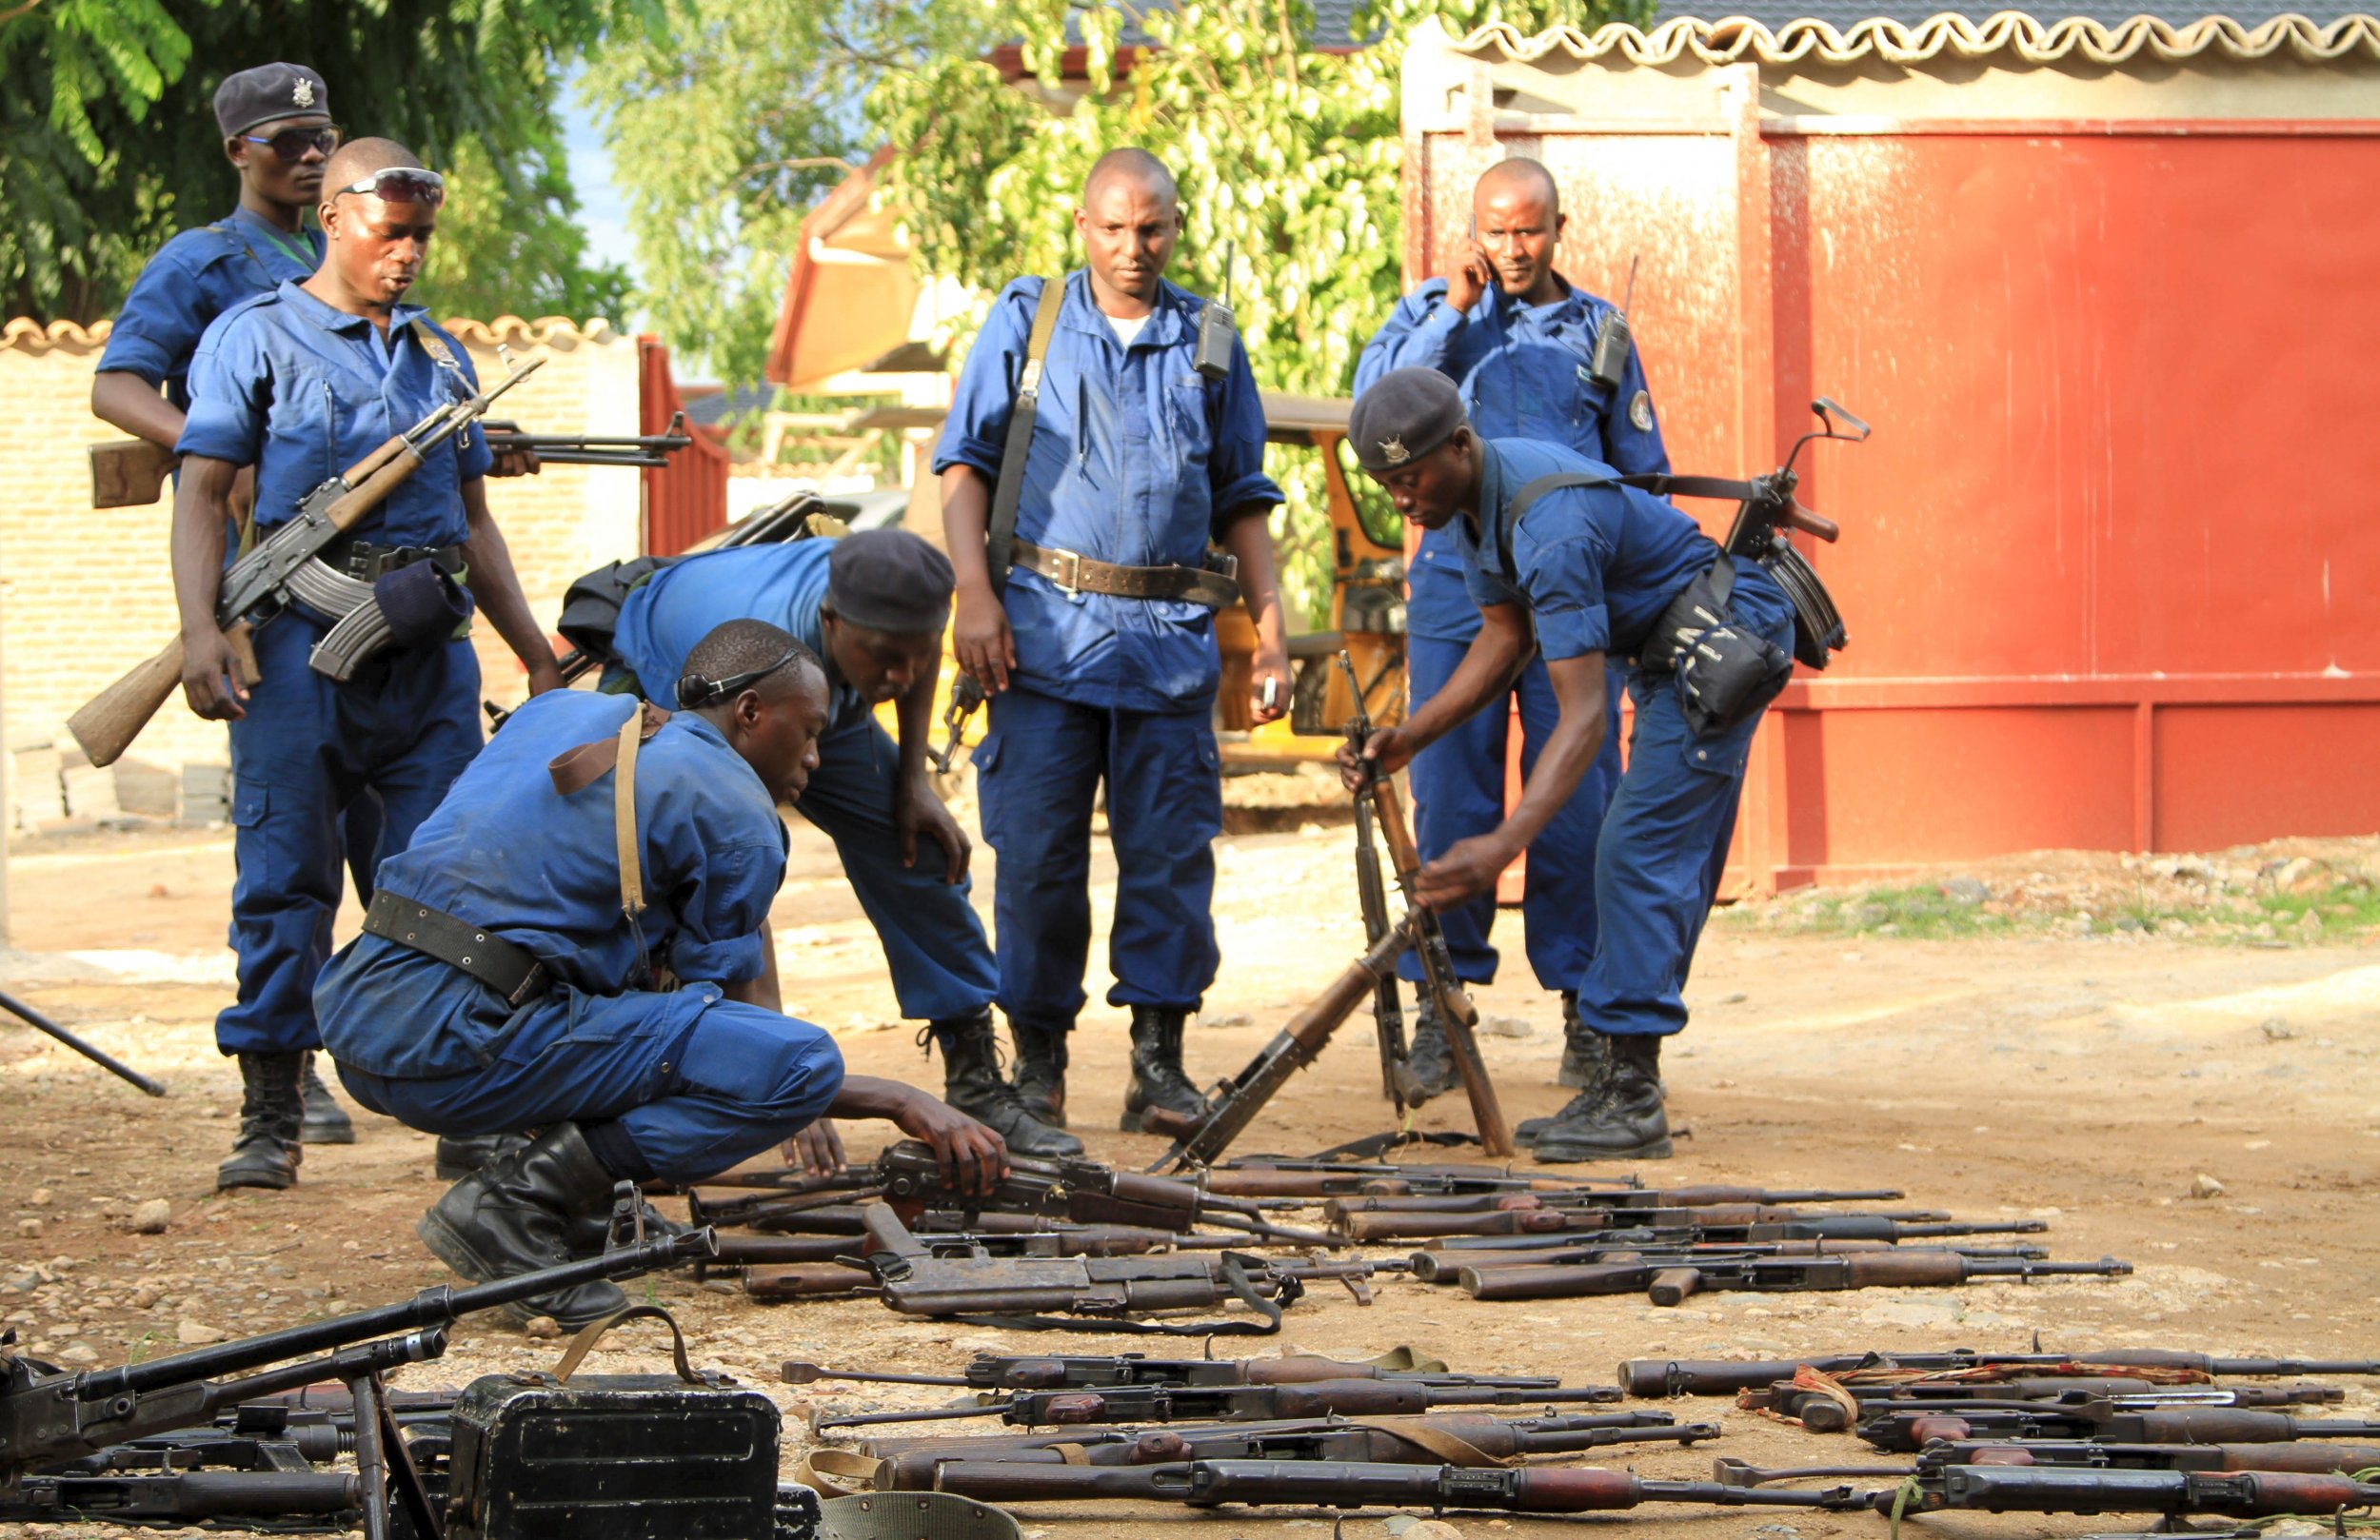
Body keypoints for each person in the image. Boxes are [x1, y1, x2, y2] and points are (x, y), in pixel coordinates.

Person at [315, 622, 1009, 1326]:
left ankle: (586, 1214)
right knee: (801, 1060)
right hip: (456, 1042)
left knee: (623, 992)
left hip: (358, 1015)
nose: (815, 757)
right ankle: (515, 1204)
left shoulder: (564, 710)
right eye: (807, 731)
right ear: (749, 714)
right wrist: (892, 1097)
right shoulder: (740, 815)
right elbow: (716, 1040)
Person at [173, 138, 562, 1192]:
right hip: (300, 650)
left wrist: (532, 650)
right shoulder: (253, 340)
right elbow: (204, 494)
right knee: (285, 879)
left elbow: (473, 521)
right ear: (337, 217)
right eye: (394, 235)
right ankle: (271, 1110)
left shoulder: (442, 356)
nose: (410, 256)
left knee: (447, 885)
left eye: (422, 239)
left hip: (427, 658)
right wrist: (204, 629)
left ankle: (460, 1108)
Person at [1336, 368, 1795, 1163]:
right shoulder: (1471, 505)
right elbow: (1503, 638)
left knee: (1632, 854)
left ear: (1459, 444)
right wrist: (1412, 735)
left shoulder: (1549, 525)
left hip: (1718, 641)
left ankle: (1631, 1095)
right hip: (1660, 649)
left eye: (1410, 479)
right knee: (1641, 854)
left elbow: (1582, 718)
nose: (1402, 500)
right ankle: (1622, 1077)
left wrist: (1503, 843)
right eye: (1386, 486)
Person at [934, 148, 1289, 1133]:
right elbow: (963, 468)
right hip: (1041, 646)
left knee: (1171, 866)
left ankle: (1158, 1068)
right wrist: (973, 594)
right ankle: (1038, 1068)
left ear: (1176, 228)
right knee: (1040, 863)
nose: (1134, 248)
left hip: (1169, 652)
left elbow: (1243, 500)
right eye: (1115, 228)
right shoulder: (1028, 321)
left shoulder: (1209, 340)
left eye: (1154, 229)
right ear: (1083, 225)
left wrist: (1271, 635)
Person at [1354, 157, 1668, 1115]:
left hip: (1572, 587)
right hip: (1461, 588)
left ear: (1558, 228)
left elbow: (1642, 465)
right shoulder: (1435, 313)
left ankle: (1584, 1004)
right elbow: (1372, 406)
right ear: (1474, 231)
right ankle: (1442, 1010)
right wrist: (1449, 313)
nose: (1513, 249)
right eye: (1496, 230)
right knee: (1451, 791)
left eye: (1529, 230)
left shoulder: (1599, 330)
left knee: (1578, 798)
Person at [89, 62, 366, 1147]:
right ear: (237, 151)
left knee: (392, 849)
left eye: (320, 134)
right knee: (287, 852)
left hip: (368, 603)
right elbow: (117, 383)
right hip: (270, 593)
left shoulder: (352, 255)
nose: (307, 151)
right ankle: (281, 1080)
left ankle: (388, 1056)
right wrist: (214, 442)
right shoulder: (203, 262)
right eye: (284, 136)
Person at [603, 527, 1079, 1155]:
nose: (901, 675)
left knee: (918, 845)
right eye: (885, 658)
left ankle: (976, 1081)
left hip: (809, 683)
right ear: (831, 621)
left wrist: (913, 780)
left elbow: (915, 651)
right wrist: (783, 1080)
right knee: (704, 884)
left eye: (913, 655)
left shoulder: (892, 615)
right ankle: (685, 1087)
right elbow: (737, 881)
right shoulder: (746, 674)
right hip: (682, 682)